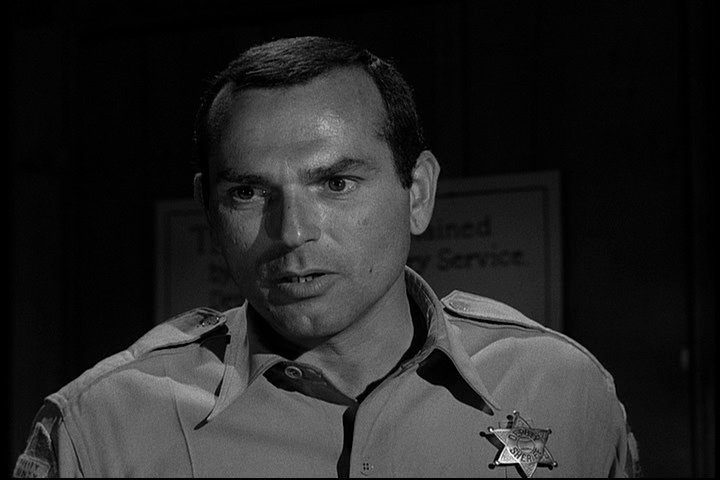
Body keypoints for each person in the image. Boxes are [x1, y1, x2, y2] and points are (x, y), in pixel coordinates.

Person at [14, 36, 639, 478]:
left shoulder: (561, 388)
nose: (291, 232)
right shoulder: (102, 430)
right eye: (248, 193)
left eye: (336, 184)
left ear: (418, 193)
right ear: (209, 209)